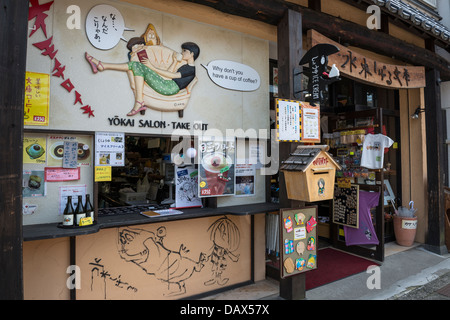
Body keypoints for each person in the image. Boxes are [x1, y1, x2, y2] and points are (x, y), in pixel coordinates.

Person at [85, 40, 200, 116]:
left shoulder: (190, 69)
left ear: (191, 54)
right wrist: (175, 61)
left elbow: (171, 76)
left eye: (184, 51)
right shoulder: (185, 66)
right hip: (167, 84)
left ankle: (102, 65)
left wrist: (151, 67)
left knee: (138, 66)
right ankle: (102, 66)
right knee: (137, 66)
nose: (182, 52)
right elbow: (168, 73)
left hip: (170, 88)